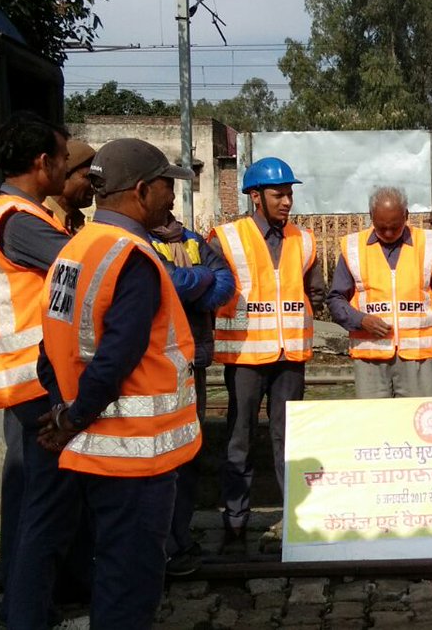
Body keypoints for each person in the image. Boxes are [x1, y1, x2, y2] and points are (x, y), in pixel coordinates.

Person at [36, 138, 201, 629]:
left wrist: (64, 410)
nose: (172, 199)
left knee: (111, 568)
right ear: (142, 190)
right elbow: (114, 360)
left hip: (97, 449)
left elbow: (51, 345)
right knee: (130, 583)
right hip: (135, 457)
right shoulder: (133, 257)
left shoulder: (75, 250)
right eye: (168, 188)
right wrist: (72, 417)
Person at [0, 110, 72, 625]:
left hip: (22, 381)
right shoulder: (20, 221)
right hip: (35, 382)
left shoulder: (10, 215)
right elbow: (85, 263)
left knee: (26, 499)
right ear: (41, 163)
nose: (66, 167)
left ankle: (22, 603)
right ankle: (29, 614)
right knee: (46, 508)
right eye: (62, 158)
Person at [208, 157, 325, 552]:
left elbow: (316, 291)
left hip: (290, 355)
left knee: (289, 440)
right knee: (239, 440)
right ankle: (236, 522)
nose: (287, 201)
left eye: (290, 193)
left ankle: (294, 519)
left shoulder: (303, 240)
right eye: (279, 194)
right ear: (255, 196)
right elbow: (213, 291)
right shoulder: (225, 238)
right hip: (243, 357)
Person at [149, 213, 235, 573]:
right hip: (155, 360)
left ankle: (179, 538)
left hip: (191, 358)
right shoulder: (137, 238)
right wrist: (201, 279)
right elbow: (162, 281)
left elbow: (226, 283)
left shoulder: (191, 239)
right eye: (163, 187)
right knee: (157, 457)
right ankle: (159, 544)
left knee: (186, 453)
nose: (170, 198)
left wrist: (190, 289)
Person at [329, 186, 432, 398]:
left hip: (418, 357)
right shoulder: (353, 247)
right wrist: (361, 320)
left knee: (416, 423)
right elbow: (336, 299)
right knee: (375, 425)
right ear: (371, 217)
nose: (388, 233)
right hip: (370, 356)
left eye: (394, 227)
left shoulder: (429, 244)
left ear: (406, 216)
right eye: (381, 227)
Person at [45, 139, 96, 234]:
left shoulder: (76, 221)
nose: (94, 186)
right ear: (63, 175)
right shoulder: (40, 219)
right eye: (88, 177)